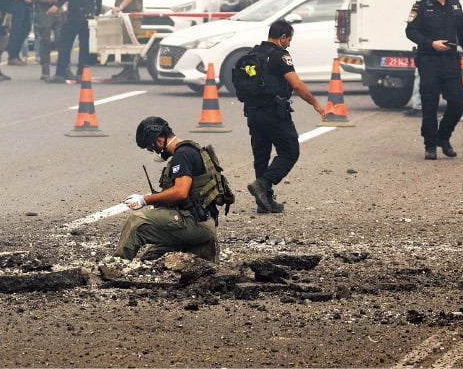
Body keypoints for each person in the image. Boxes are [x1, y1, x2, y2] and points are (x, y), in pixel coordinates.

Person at [114, 117, 231, 262]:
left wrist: (144, 200)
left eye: (150, 148)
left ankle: (116, 265)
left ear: (159, 140)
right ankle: (200, 248)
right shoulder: (190, 150)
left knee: (136, 222)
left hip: (194, 222)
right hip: (202, 220)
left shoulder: (182, 155)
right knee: (151, 256)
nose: (152, 151)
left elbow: (180, 192)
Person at [241, 20, 326, 213]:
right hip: (274, 112)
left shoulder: (252, 54)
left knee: (261, 155)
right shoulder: (280, 55)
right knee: (290, 151)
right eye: (289, 39)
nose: (289, 44)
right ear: (282, 37)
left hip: (253, 112)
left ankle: (264, 202)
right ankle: (263, 184)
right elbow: (296, 84)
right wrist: (315, 103)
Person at [405, 0, 463, 160]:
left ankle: (443, 137)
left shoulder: (454, 5)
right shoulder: (421, 6)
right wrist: (431, 43)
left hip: (451, 61)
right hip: (429, 60)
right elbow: (411, 31)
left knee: (457, 103)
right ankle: (430, 145)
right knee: (430, 104)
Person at [52, 0, 102, 82]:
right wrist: (97, 12)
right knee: (84, 44)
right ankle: (82, 72)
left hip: (74, 15)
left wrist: (57, 5)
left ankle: (60, 73)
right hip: (88, 15)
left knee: (65, 44)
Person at [26, 0, 68, 80]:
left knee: (61, 39)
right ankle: (45, 69)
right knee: (45, 39)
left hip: (59, 10)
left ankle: (63, 68)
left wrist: (63, 0)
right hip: (43, 10)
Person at [109, 0, 145, 81]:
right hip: (122, 15)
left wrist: (121, 6)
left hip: (132, 15)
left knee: (131, 42)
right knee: (124, 43)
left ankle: (133, 71)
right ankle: (128, 70)